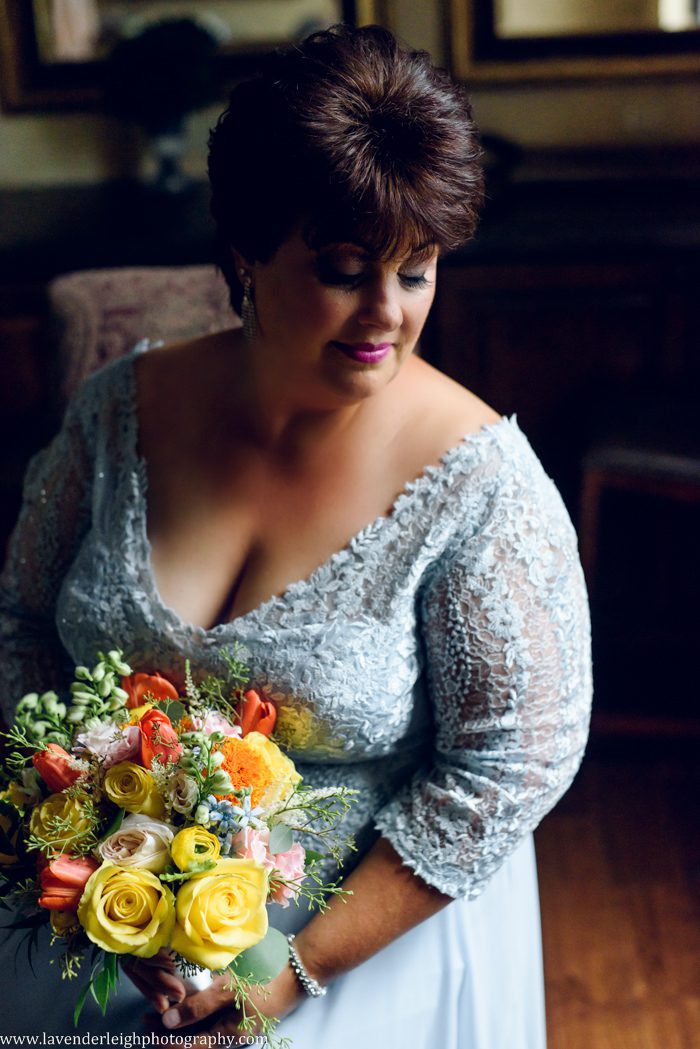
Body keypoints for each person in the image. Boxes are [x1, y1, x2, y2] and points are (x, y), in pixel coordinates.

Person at [0, 25, 591, 1048]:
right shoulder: (117, 412)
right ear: (245, 250)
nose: (385, 314)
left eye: (417, 272)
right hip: (96, 936)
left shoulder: (481, 484)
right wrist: (88, 853)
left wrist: (285, 972)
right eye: (344, 268)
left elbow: (508, 769)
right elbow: (21, 623)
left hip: (354, 962)